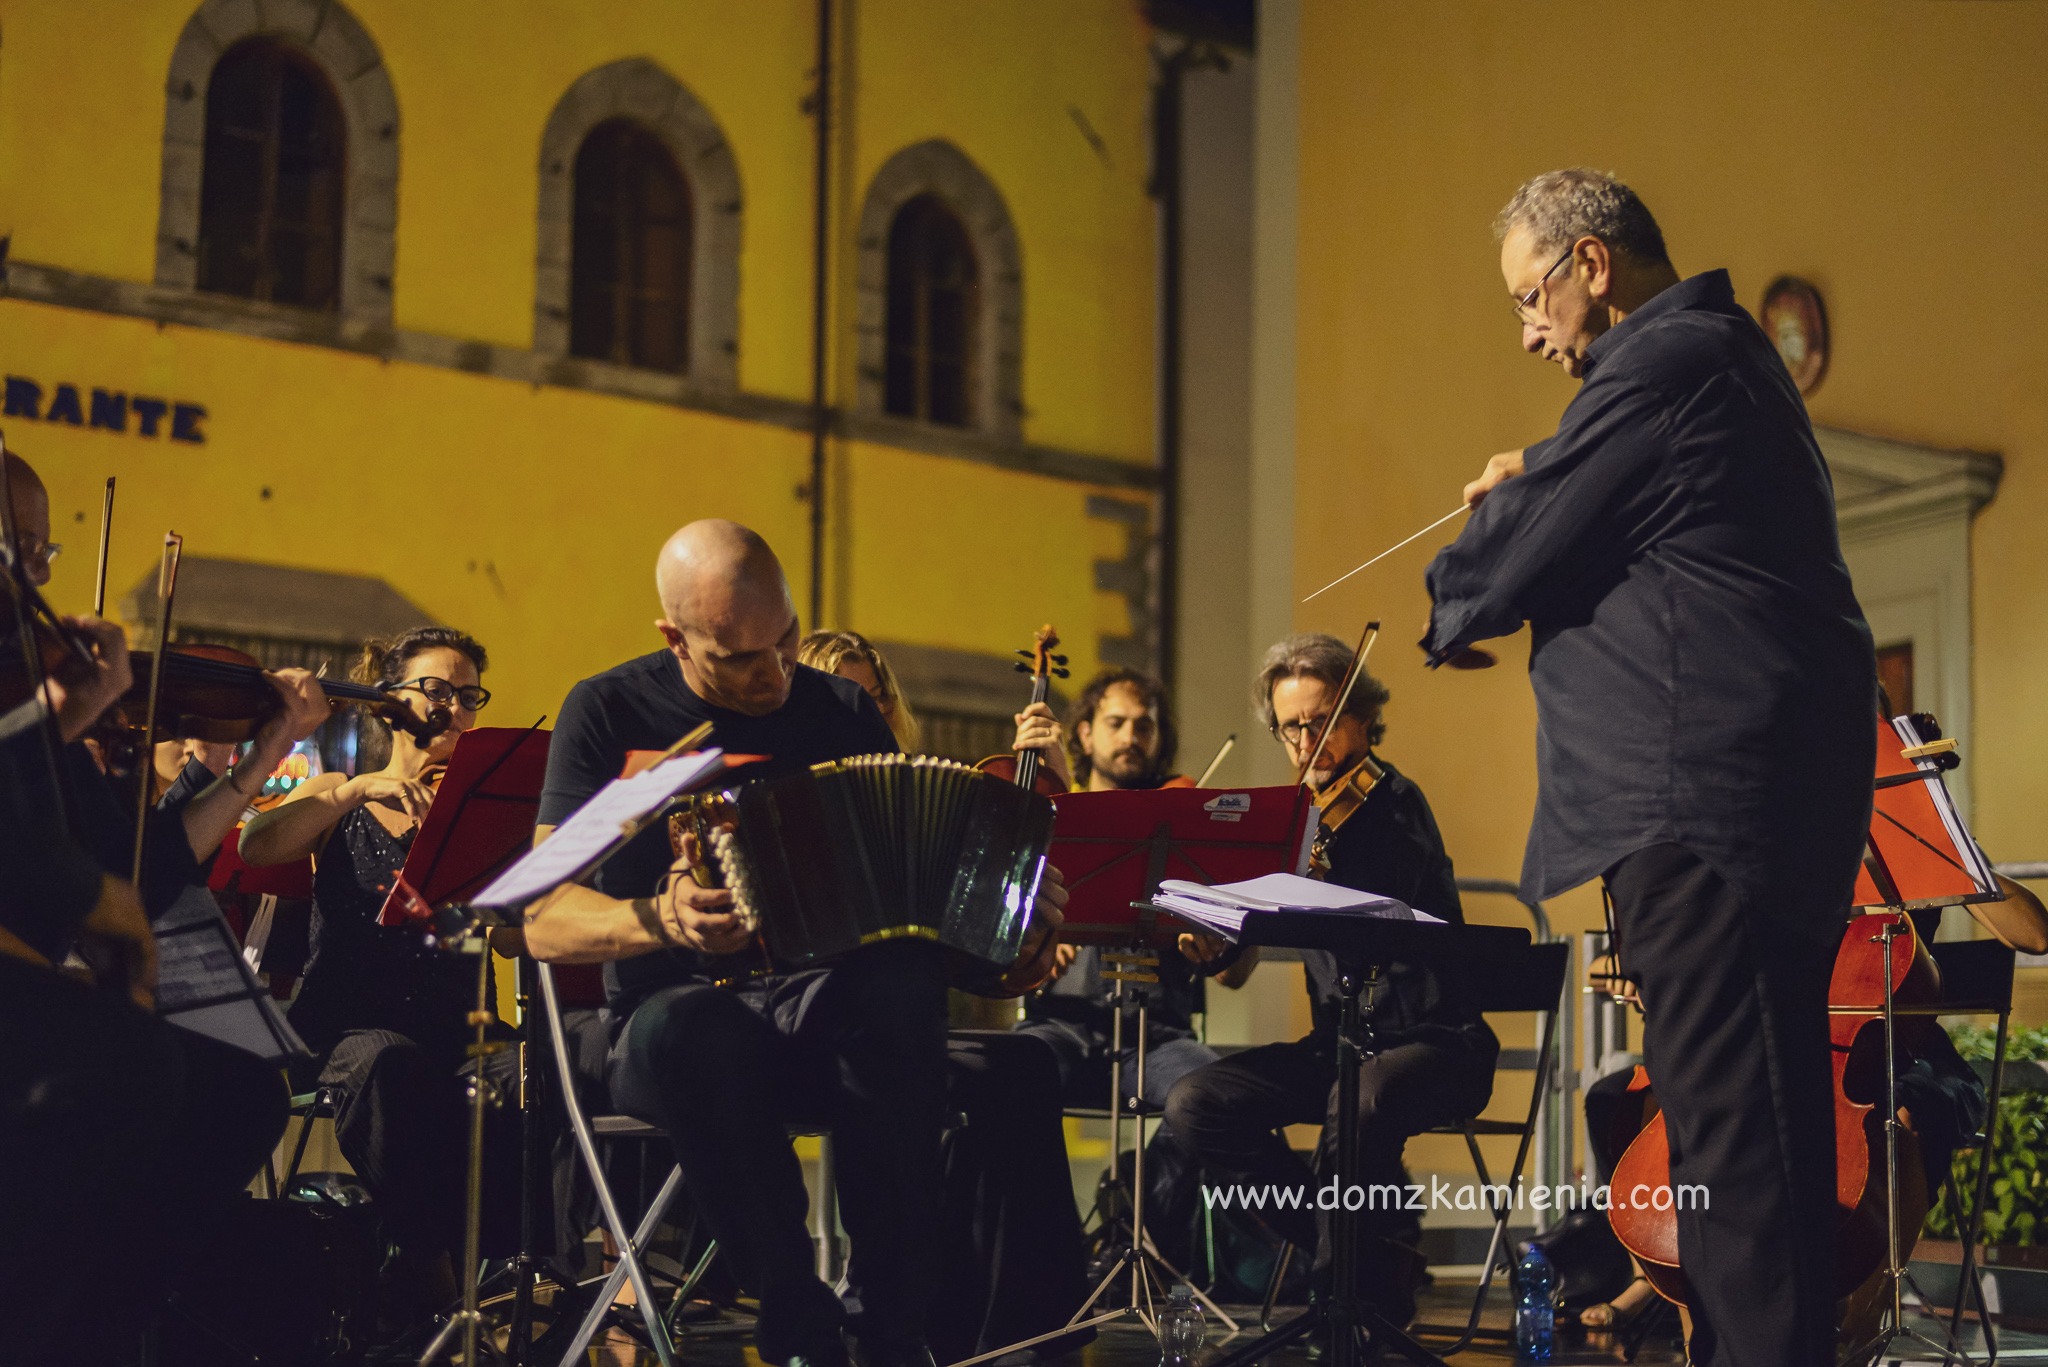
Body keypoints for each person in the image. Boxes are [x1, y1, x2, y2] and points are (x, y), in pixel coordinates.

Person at [1421, 168, 1878, 1367]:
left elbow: (1498, 564)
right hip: (1728, 806)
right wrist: (1545, 473)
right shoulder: (1706, 367)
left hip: (1699, 806)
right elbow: (1609, 509)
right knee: (1738, 1158)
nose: (1527, 331)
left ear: (1589, 263)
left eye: (1530, 297)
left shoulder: (1664, 360)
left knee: (1736, 1162)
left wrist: (1485, 540)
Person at [522, 520, 1065, 1367]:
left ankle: (892, 1320)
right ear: (674, 637)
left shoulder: (840, 708)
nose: (776, 672)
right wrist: (658, 919)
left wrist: (1010, 921)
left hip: (820, 1016)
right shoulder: (609, 710)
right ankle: (790, 1300)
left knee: (897, 980)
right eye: (741, 658)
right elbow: (541, 915)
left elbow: (914, 899)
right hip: (669, 1028)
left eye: (785, 639)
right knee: (695, 1026)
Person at [0, 449, 316, 1363]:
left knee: (239, 1093)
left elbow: (145, 870)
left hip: (50, 978)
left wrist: (263, 754)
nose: (29, 579)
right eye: (10, 547)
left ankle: (100, 1328)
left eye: (39, 552)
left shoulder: (35, 681)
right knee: (123, 1062)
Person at [1164, 633, 1497, 1329]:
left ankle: (1345, 1298)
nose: (1309, 741)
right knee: (1197, 1102)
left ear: (1363, 717)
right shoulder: (1299, 821)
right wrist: (1217, 945)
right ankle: (1353, 1255)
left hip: (1437, 1044)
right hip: (1340, 1046)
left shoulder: (1394, 805)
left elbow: (1376, 884)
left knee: (1358, 1098)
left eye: (1324, 720)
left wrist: (1295, 875)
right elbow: (1264, 924)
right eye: (1293, 726)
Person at [238, 626, 517, 1316]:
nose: (454, 708)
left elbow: (515, 943)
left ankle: (515, 1263)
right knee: (392, 1068)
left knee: (538, 1070)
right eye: (436, 690)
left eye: (469, 695)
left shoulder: (484, 809)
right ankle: (431, 1267)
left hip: (459, 1028)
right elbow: (254, 843)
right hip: (347, 1029)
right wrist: (357, 790)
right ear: (389, 700)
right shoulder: (341, 791)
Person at [1014, 668, 1251, 1269]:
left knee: (1212, 1094)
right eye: (1116, 723)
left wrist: (1217, 938)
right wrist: (1037, 937)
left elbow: (1235, 966)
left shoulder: (1183, 819)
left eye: (1143, 725)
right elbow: (993, 923)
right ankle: (1054, 1257)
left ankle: (1133, 1245)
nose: (1131, 737)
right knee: (1007, 1078)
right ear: (1085, 735)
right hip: (1061, 1026)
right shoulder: (1043, 816)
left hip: (1157, 1033)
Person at [798, 629, 922, 752]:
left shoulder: (892, 765)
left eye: (877, 696)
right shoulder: (792, 767)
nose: (874, 713)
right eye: (855, 702)